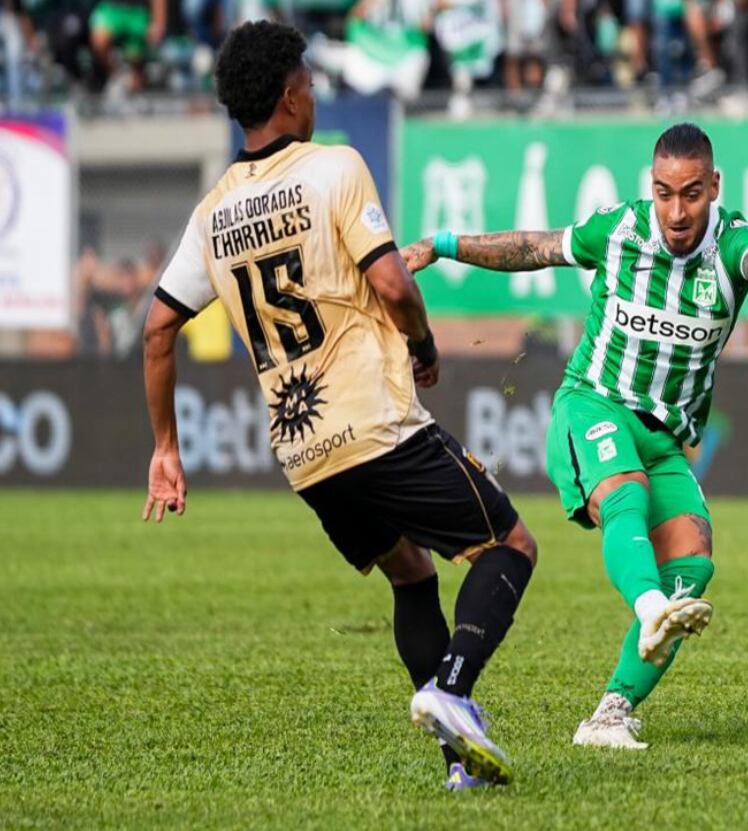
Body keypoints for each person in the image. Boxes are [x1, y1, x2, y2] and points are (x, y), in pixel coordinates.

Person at [139, 20, 536, 790]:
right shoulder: (334, 169)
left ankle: (462, 765)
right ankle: (452, 690)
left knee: (411, 573)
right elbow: (392, 284)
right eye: (311, 83)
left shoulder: (212, 212)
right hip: (376, 422)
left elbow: (157, 329)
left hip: (305, 454)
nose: (316, 95)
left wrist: (165, 447)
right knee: (510, 545)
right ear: (291, 96)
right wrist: (422, 341)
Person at [400, 122, 748, 750]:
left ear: (714, 186)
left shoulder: (734, 242)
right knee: (626, 492)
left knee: (693, 562)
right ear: (652, 187)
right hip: (593, 402)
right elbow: (534, 248)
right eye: (664, 193)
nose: (677, 212)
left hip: (663, 437)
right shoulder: (620, 230)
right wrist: (443, 244)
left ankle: (610, 715)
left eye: (691, 194)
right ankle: (650, 610)